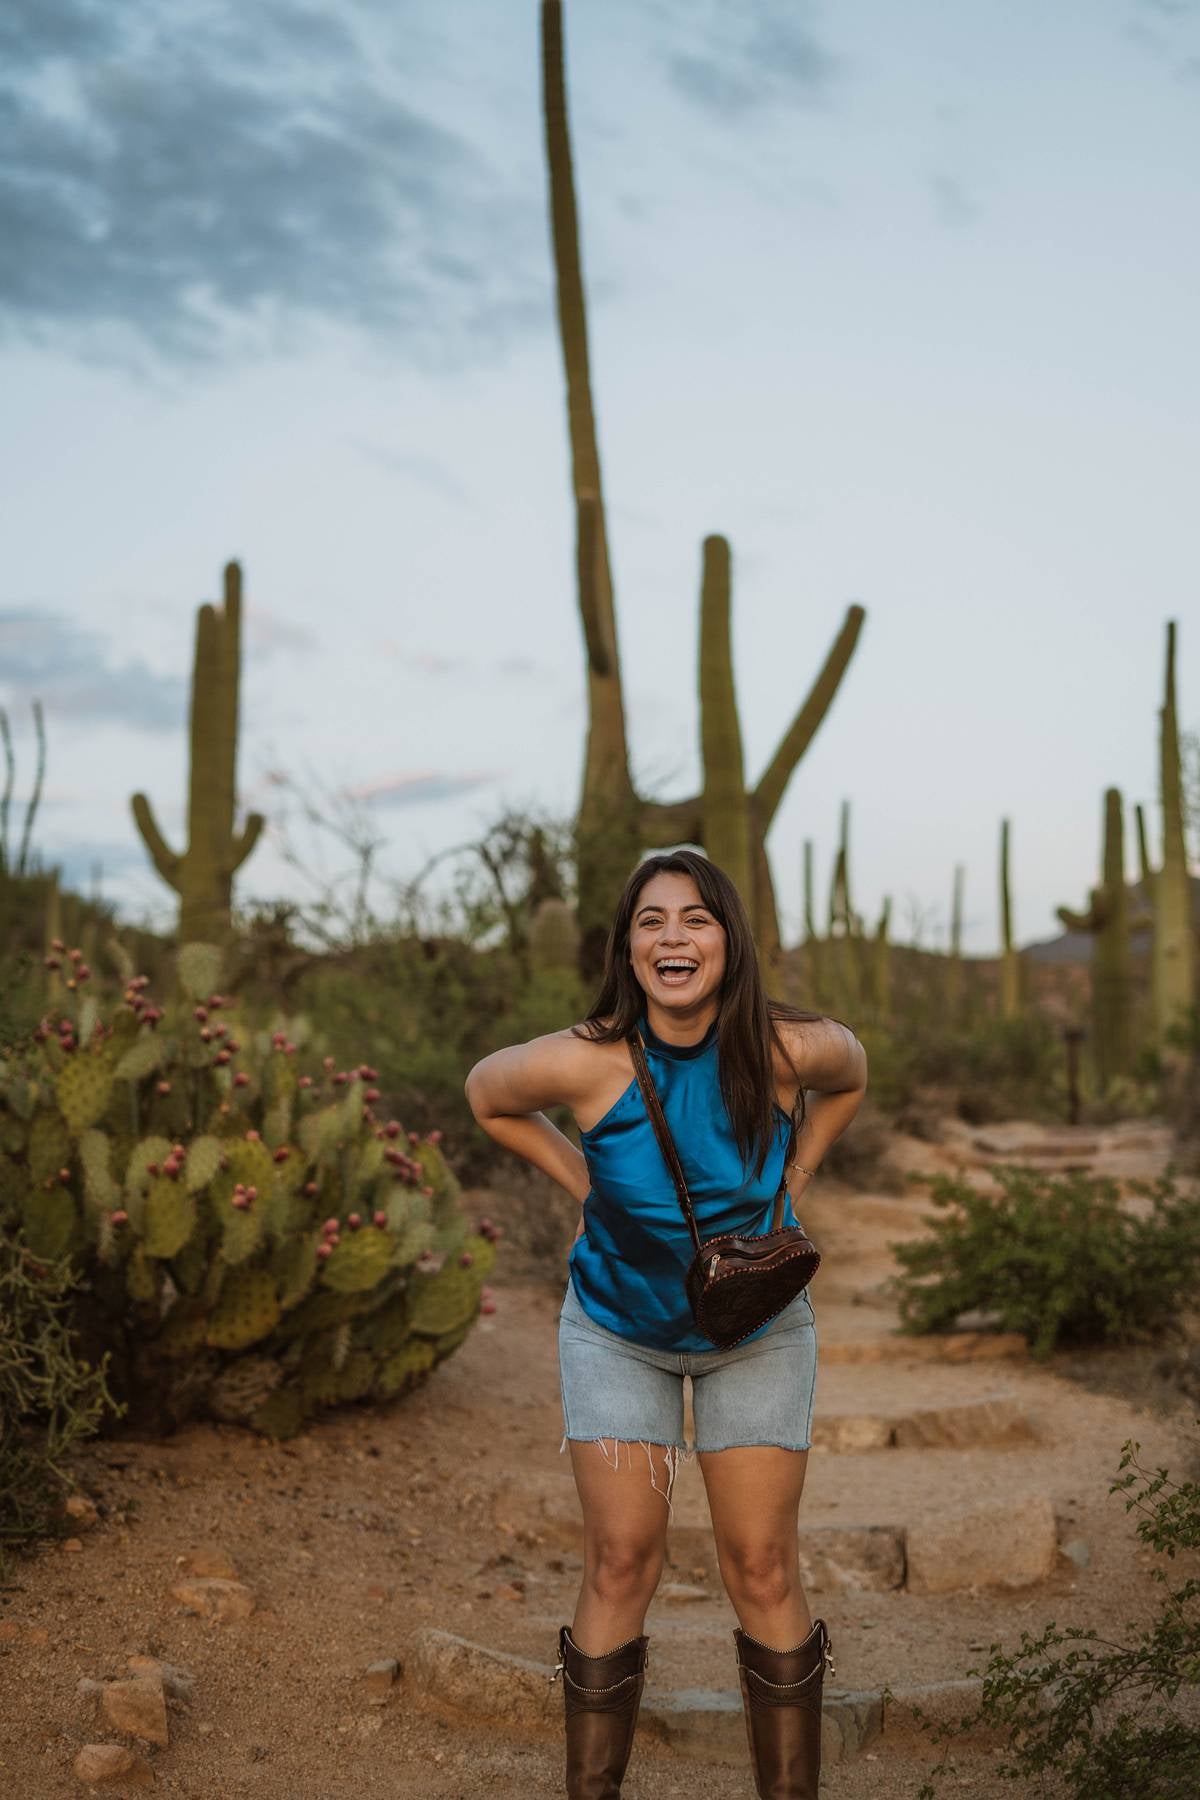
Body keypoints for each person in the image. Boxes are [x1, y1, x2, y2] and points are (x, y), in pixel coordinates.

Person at [465, 849, 868, 1799]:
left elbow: (852, 1072)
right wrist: (585, 1182)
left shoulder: (783, 1048)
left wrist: (792, 1185)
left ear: (729, 941)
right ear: (627, 947)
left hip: (757, 1332)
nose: (674, 936)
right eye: (651, 920)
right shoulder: (585, 1056)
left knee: (762, 1564)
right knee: (619, 1559)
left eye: (696, 918)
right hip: (615, 1330)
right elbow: (487, 1093)